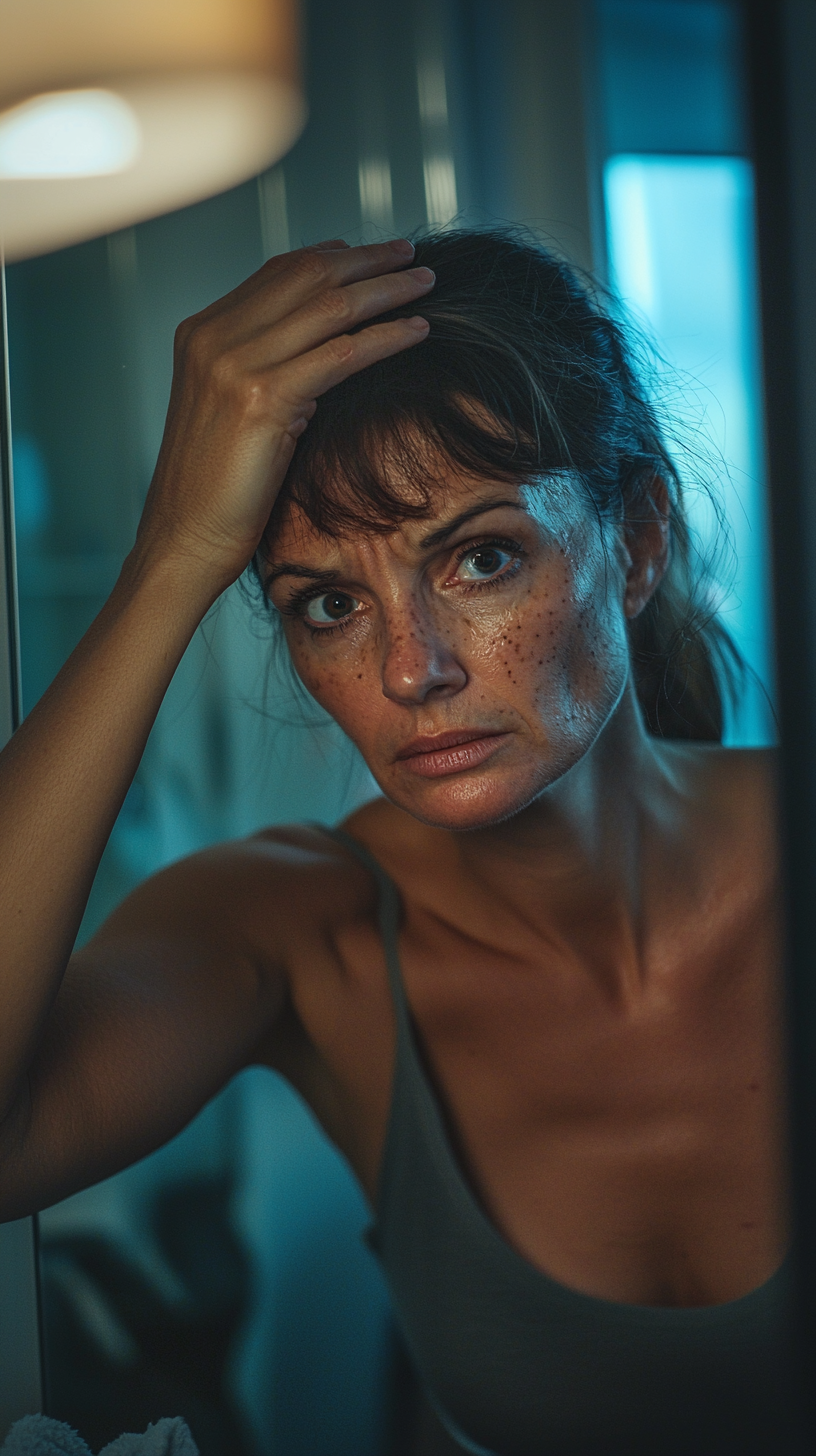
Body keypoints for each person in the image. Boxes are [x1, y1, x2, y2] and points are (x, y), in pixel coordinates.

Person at [0, 229, 799, 1455]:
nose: (410, 668)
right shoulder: (299, 933)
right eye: (328, 603)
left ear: (638, 541)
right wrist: (172, 558)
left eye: (482, 558)